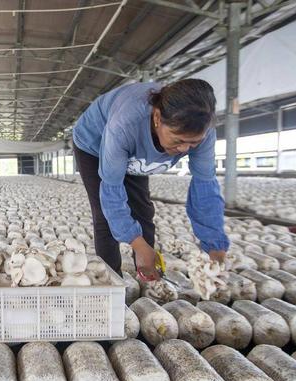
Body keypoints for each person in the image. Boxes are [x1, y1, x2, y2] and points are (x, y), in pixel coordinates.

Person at [72, 79, 229, 280]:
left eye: (193, 143)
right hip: (93, 144)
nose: (184, 149)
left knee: (143, 211)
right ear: (157, 118)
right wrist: (136, 243)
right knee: (105, 217)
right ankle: (110, 281)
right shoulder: (125, 124)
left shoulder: (204, 133)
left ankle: (149, 275)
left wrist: (215, 245)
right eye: (178, 139)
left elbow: (205, 188)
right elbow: (111, 190)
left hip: (135, 148)